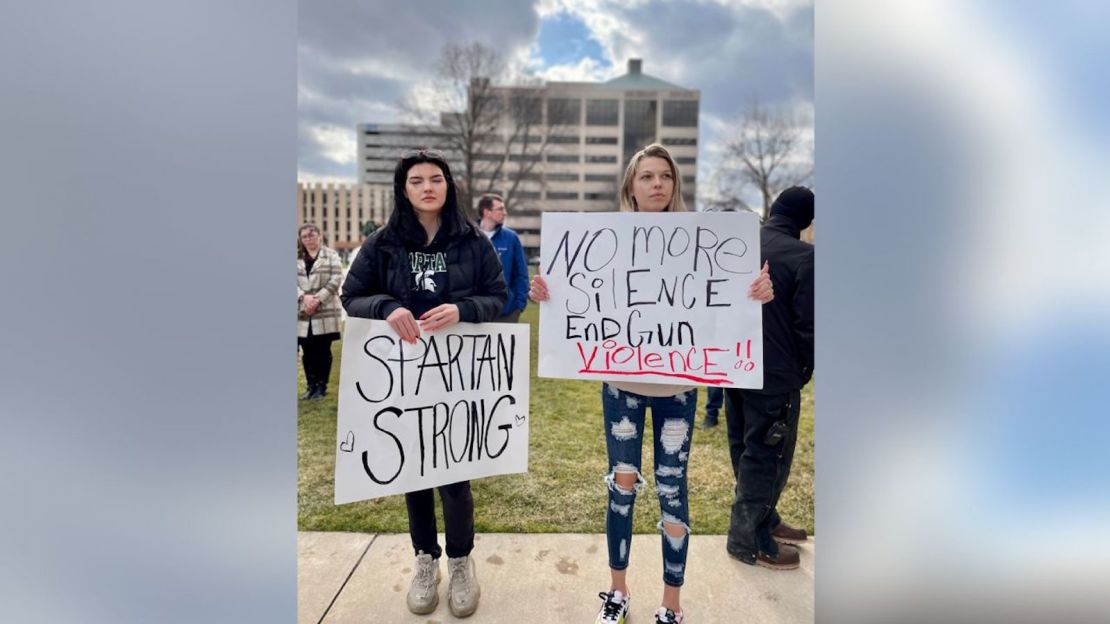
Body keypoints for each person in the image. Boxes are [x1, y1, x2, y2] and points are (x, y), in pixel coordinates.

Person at [529, 144, 774, 624]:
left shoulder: (705, 242)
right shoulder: (604, 241)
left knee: (671, 489)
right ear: (631, 185)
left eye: (665, 176)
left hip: (679, 393)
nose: (657, 184)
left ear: (675, 185)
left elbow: (727, 310)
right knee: (621, 488)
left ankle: (671, 603)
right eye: (647, 176)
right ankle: (617, 592)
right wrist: (546, 294)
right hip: (621, 386)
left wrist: (757, 294)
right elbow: (577, 297)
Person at [340, 149, 507, 618]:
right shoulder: (383, 242)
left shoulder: (473, 241)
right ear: (404, 188)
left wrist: (464, 310)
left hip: (456, 379)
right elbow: (352, 295)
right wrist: (387, 308)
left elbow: (498, 296)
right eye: (417, 181)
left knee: (454, 477)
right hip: (402, 376)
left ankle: (459, 561)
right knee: (413, 475)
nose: (428, 187)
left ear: (449, 186)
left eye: (436, 179)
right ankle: (424, 558)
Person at [723, 186, 814, 570]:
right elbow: (809, 325)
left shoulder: (738, 244)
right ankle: (748, 539)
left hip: (731, 367)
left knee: (745, 449)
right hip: (775, 376)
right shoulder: (805, 256)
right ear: (806, 221)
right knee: (768, 456)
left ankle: (766, 519)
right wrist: (805, 370)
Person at [296, 223, 343, 400]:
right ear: (301, 239)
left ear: (319, 236)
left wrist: (317, 299)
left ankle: (321, 387)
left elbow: (336, 278)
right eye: (305, 236)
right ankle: (311, 386)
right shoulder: (295, 257)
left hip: (325, 310)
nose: (309, 238)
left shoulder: (331, 255)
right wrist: (303, 297)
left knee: (323, 350)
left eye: (312, 234)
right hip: (303, 311)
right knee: (307, 352)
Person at [476, 193, 529, 322]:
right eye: (500, 209)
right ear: (487, 212)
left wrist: (519, 305)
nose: (505, 213)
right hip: (475, 310)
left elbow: (521, 274)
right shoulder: (468, 235)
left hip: (506, 311)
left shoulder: (511, 238)